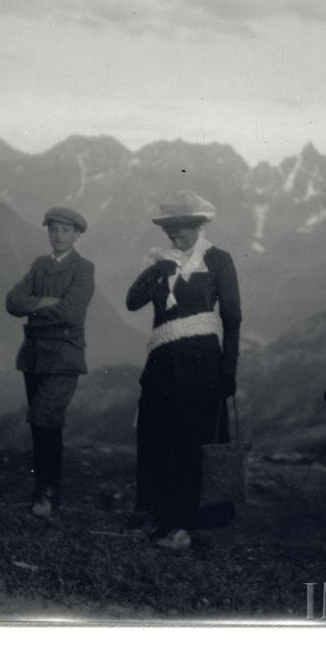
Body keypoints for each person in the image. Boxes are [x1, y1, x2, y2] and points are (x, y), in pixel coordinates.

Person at [126, 190, 241, 550]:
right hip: (163, 362)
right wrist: (155, 272)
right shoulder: (159, 262)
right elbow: (132, 302)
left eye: (182, 227)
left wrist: (228, 369)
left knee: (194, 440)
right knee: (160, 437)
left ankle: (185, 525)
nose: (175, 234)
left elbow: (233, 317)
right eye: (170, 229)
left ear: (198, 225)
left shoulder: (218, 260)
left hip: (202, 363)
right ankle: (162, 516)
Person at [5, 206, 95, 518]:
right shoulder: (39, 265)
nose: (58, 236)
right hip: (33, 356)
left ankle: (46, 492)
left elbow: (71, 312)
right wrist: (45, 302)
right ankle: (46, 490)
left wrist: (33, 310)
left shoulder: (84, 269)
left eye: (65, 231)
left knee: (44, 418)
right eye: (53, 229)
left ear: (77, 234)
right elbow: (12, 301)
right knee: (42, 425)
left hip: (64, 357)